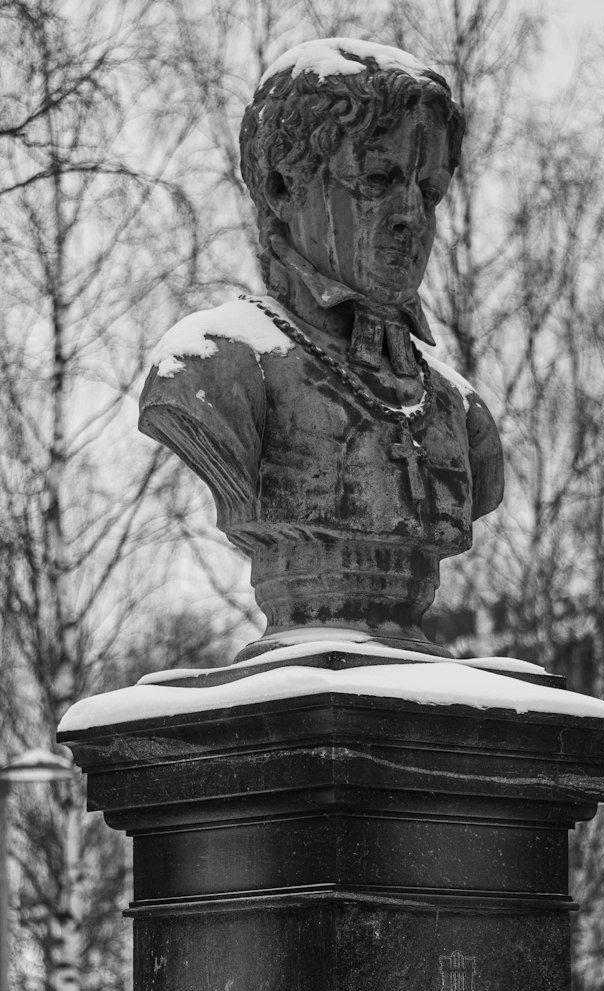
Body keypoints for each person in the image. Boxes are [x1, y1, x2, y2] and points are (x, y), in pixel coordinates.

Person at [138, 37, 503, 652]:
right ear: (283, 189)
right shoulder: (220, 368)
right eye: (377, 179)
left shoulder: (463, 415)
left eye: (430, 190)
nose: (411, 215)